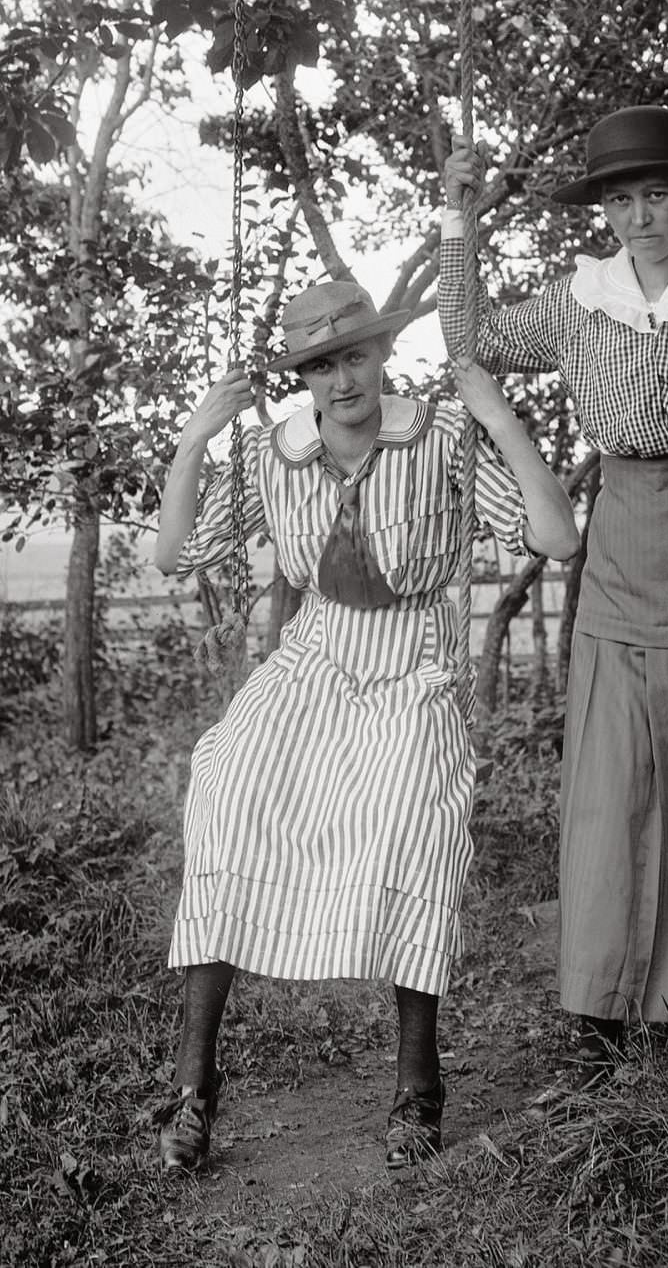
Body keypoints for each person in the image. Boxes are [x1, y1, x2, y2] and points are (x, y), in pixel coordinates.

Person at [152, 279, 580, 1172]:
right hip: (314, 655)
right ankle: (195, 1090)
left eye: (354, 356)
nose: (341, 380)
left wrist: (496, 417)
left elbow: (557, 535)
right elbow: (175, 552)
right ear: (302, 375)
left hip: (412, 659)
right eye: (319, 364)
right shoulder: (277, 454)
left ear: (382, 355)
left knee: (411, 818)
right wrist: (198, 433)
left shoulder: (439, 437)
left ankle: (417, 1085)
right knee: (228, 787)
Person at [438, 105, 668, 1096]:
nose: (641, 215)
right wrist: (459, 220)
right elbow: (469, 336)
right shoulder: (580, 301)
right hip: (616, 543)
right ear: (602, 208)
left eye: (657, 193)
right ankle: (595, 1014)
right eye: (621, 197)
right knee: (609, 788)